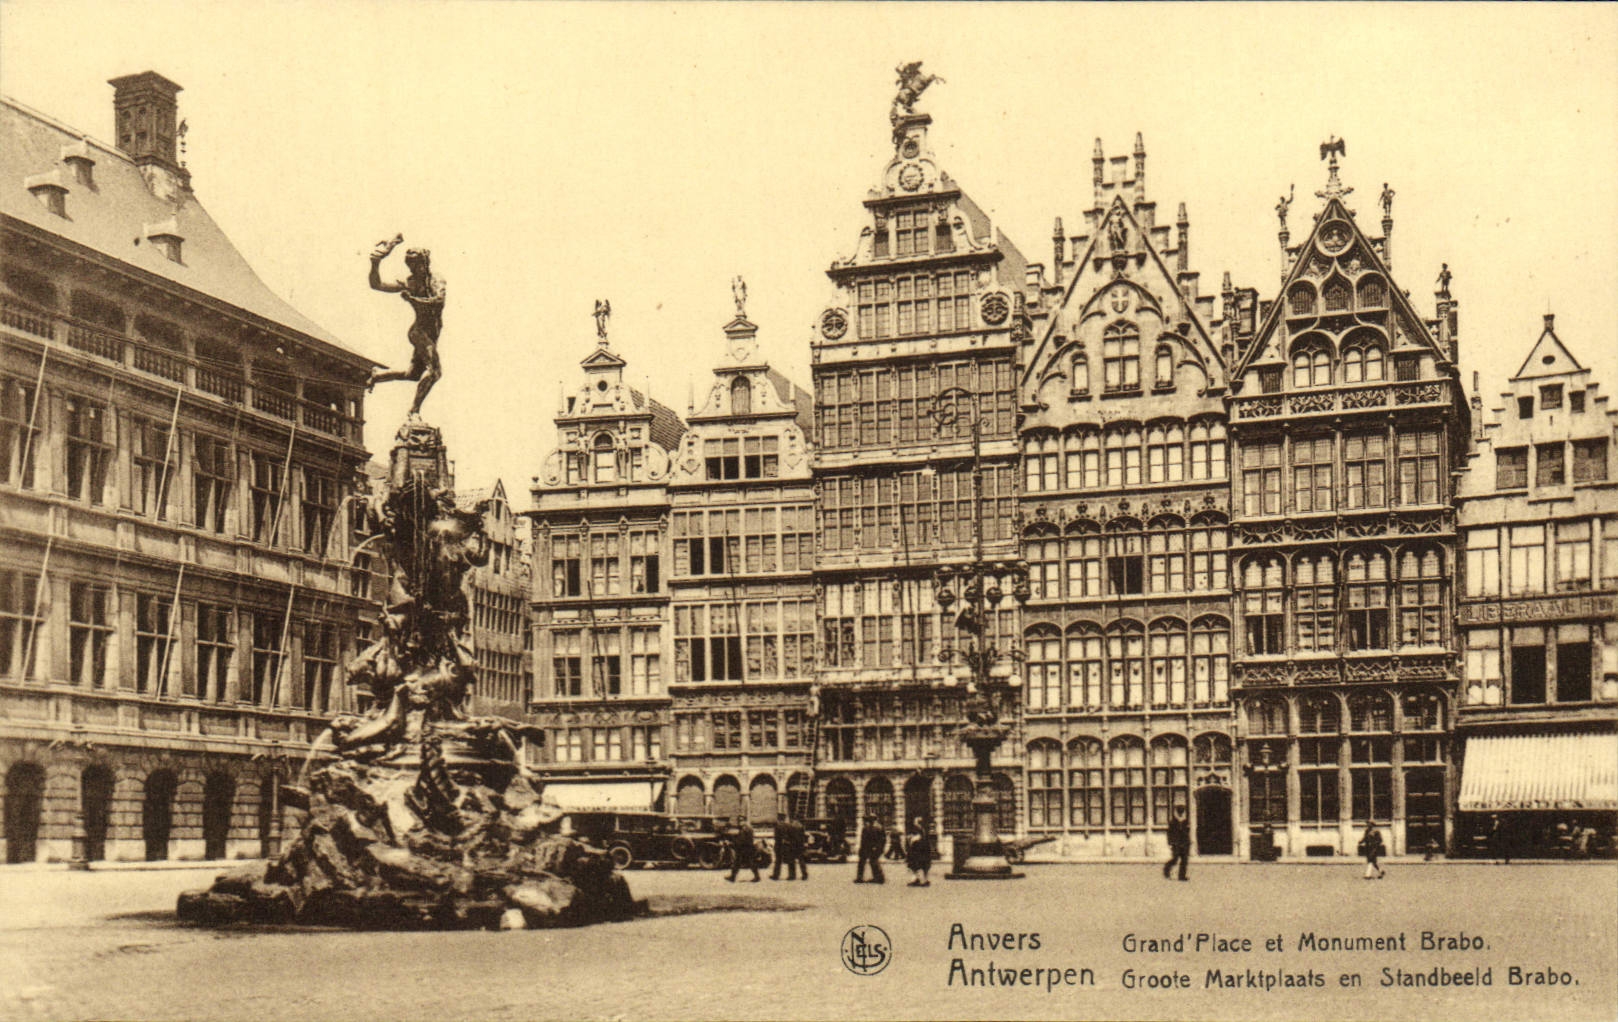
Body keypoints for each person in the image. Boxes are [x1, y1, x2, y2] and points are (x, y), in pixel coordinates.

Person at [368, 235, 447, 417]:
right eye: (411, 267)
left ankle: (378, 375)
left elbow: (438, 301)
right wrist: (375, 263)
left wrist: (413, 300)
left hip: (433, 333)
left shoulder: (436, 280)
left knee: (413, 374)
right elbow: (376, 284)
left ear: (425, 264)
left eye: (417, 266)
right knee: (434, 372)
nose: (414, 270)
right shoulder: (410, 283)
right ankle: (414, 411)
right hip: (419, 332)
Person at [771, 813, 808, 881]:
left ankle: (790, 875)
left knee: (789, 861)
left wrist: (788, 842)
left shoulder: (790, 826)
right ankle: (804, 875)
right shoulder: (800, 826)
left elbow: (787, 836)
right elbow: (803, 836)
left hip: (791, 845)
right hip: (799, 845)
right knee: (800, 860)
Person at [725, 816, 760, 883]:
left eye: (740, 821)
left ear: (744, 821)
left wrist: (732, 843)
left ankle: (757, 876)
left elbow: (741, 840)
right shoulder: (748, 827)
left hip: (745, 848)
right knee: (740, 863)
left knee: (748, 863)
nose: (739, 823)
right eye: (739, 821)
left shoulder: (744, 828)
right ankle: (733, 877)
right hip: (748, 847)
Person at [855, 815, 886, 884]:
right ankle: (879, 877)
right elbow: (883, 839)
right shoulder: (879, 827)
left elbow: (865, 840)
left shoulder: (870, 828)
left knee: (864, 862)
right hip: (874, 848)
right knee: (873, 862)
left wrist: (862, 848)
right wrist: (880, 848)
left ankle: (860, 877)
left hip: (868, 848)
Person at [1163, 806, 1191, 881]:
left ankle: (1182, 876)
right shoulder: (1173, 822)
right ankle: (1166, 869)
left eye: (1182, 811)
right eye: (1180, 811)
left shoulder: (1185, 821)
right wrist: (1170, 842)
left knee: (1184, 860)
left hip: (1184, 843)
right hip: (1176, 843)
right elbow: (1169, 833)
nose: (1181, 813)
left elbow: (1187, 832)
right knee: (1175, 859)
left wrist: (1189, 842)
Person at [905, 816, 933, 887]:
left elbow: (914, 841)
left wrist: (910, 839)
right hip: (923, 851)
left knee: (916, 866)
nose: (914, 823)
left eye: (915, 822)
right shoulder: (923, 830)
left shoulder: (917, 831)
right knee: (918, 867)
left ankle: (922, 881)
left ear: (917, 823)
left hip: (917, 852)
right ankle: (919, 880)